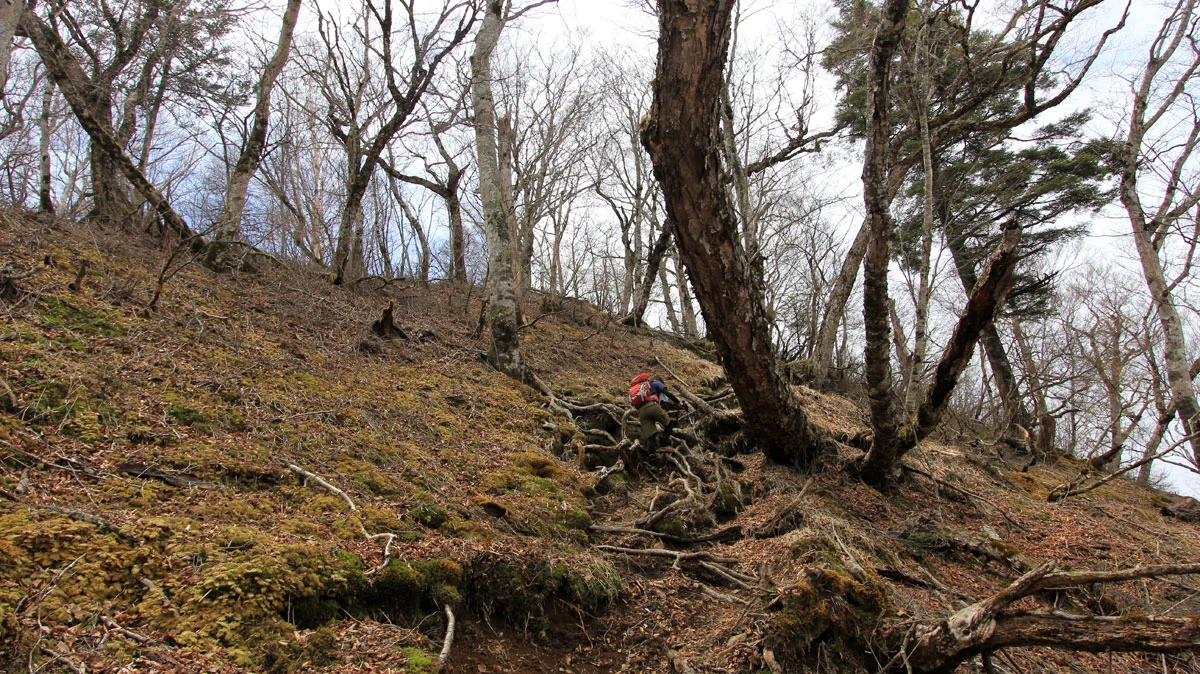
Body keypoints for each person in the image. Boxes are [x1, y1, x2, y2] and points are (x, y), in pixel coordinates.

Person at [629, 373, 677, 453]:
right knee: (669, 423)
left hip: (641, 411)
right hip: (652, 406)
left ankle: (652, 457)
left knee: (651, 436)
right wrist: (679, 403)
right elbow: (667, 393)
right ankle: (664, 444)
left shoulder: (640, 387)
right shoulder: (656, 383)